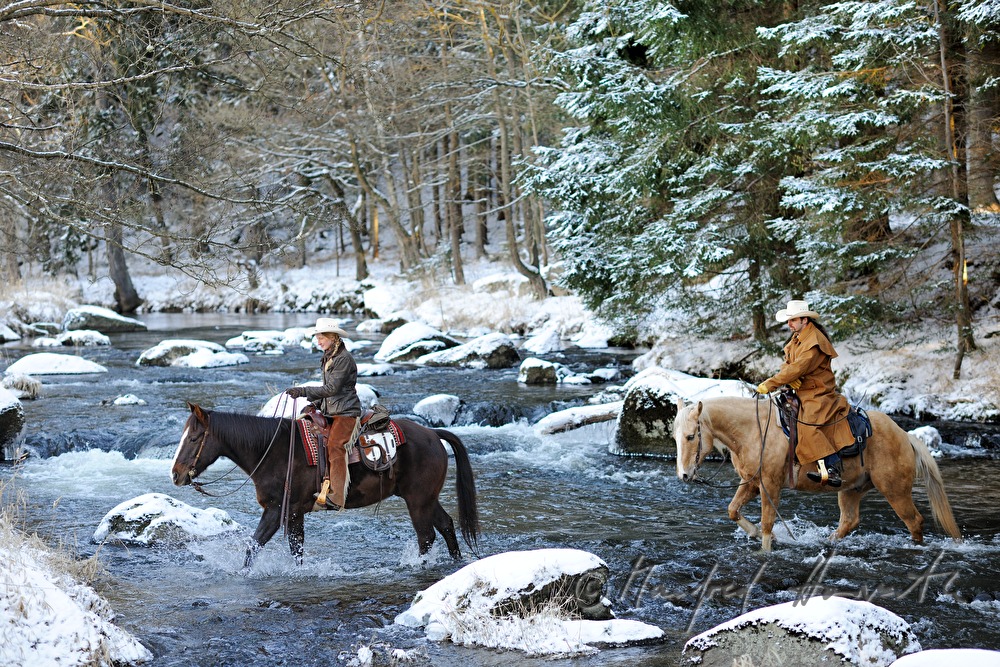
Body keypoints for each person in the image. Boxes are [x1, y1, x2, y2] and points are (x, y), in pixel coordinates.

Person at [756, 300, 854, 487]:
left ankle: (832, 467)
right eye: (789, 320)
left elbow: (798, 368)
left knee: (807, 426)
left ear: (805, 320)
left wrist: (771, 383)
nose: (789, 324)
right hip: (801, 390)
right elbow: (789, 364)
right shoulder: (797, 338)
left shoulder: (814, 342)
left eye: (793, 320)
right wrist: (786, 379)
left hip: (818, 393)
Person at [284, 318, 361, 510]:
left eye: (321, 337)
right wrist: (315, 404)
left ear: (333, 337)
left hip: (346, 413)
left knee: (335, 447)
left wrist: (303, 391)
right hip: (331, 411)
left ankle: (336, 498)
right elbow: (329, 391)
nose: (318, 341)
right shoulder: (329, 355)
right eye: (317, 337)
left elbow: (332, 388)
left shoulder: (343, 359)